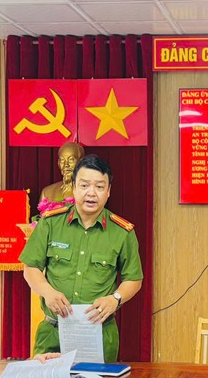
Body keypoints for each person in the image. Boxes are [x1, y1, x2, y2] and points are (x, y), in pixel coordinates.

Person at [20, 154, 143, 362]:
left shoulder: (122, 232)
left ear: (108, 191)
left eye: (99, 187)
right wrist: (47, 292)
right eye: (84, 185)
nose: (91, 193)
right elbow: (30, 267)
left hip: (98, 332)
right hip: (53, 331)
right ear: (74, 188)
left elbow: (134, 279)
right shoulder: (50, 223)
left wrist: (115, 298)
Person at [38, 141, 85, 216]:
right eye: (62, 160)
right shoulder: (47, 192)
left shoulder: (89, 191)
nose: (66, 165)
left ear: (81, 162)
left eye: (71, 159)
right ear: (58, 163)